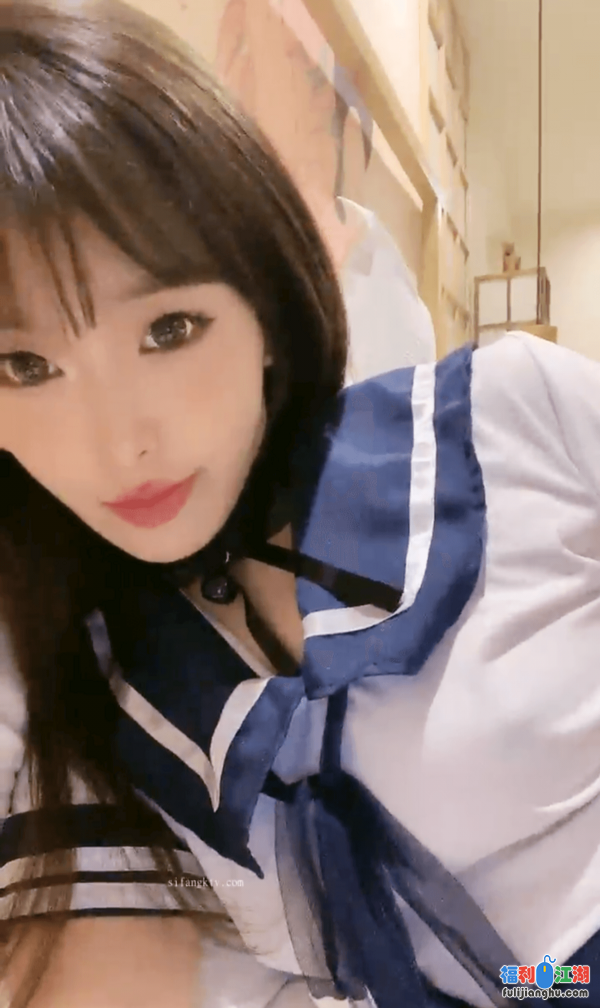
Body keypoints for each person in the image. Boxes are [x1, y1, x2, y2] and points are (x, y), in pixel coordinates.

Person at [1, 3, 600, 1007]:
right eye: (25, 365)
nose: (117, 445)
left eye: (169, 328)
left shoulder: (511, 422)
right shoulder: (77, 680)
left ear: (266, 306)